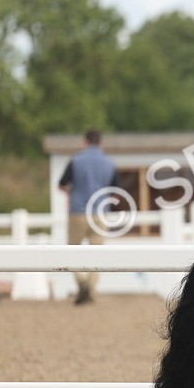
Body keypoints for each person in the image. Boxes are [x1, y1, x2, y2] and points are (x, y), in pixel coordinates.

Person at [58, 129, 119, 304]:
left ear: (85, 142)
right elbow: (115, 192)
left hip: (78, 212)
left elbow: (61, 185)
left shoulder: (75, 161)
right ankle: (91, 291)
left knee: (72, 249)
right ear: (100, 142)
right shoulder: (109, 163)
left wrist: (71, 192)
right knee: (97, 253)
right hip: (100, 213)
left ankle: (82, 281)